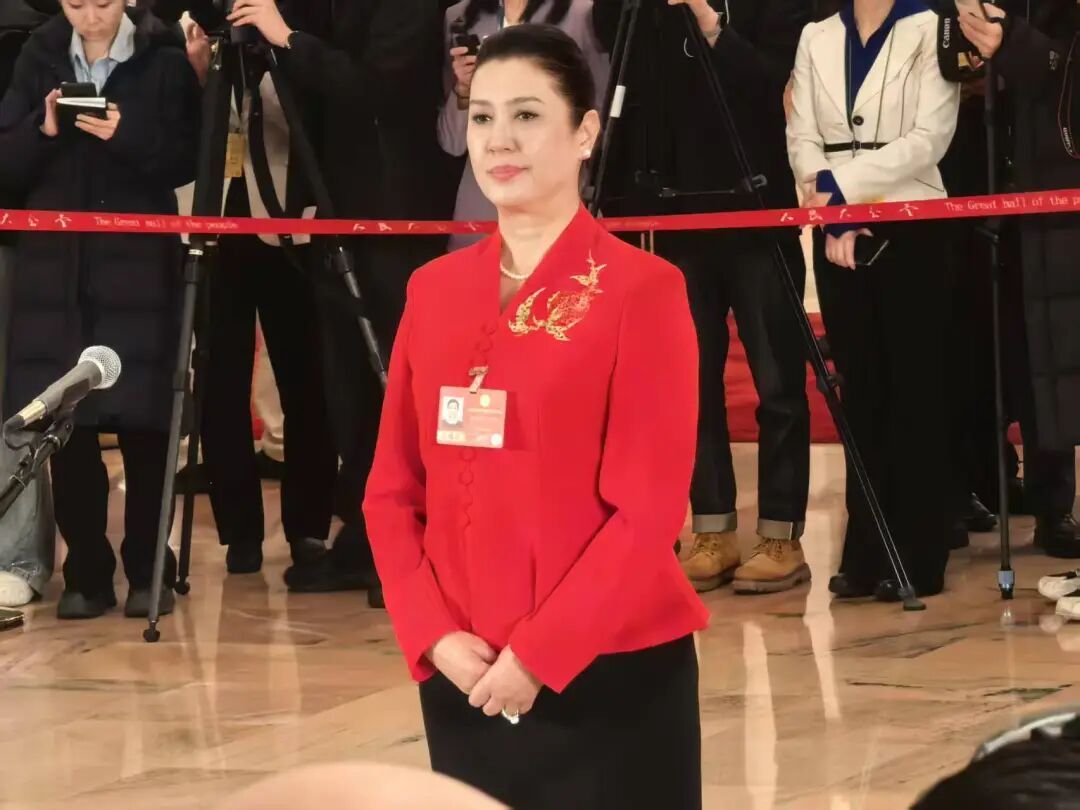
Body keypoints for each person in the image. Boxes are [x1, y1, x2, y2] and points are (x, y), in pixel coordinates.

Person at [363, 25, 708, 809]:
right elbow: (390, 492)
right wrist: (432, 634)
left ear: (585, 132)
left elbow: (648, 511)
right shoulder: (433, 291)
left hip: (607, 676)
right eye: (482, 117)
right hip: (464, 672)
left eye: (526, 115)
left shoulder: (639, 290)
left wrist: (539, 655)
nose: (499, 140)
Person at [592, 0, 814, 596]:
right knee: (691, 384)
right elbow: (614, 40)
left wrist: (711, 22)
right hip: (677, 214)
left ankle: (781, 534)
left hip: (757, 205)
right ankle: (713, 530)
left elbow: (772, 82)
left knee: (777, 382)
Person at [0, 0, 200, 618]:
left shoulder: (164, 59)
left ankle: (148, 567)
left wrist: (126, 134)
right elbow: (7, 166)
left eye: (104, 3)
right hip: (56, 272)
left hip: (139, 268)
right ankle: (86, 570)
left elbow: (187, 156)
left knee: (147, 422)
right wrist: (45, 128)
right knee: (68, 426)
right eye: (77, 4)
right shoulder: (38, 54)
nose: (91, 17)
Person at [787, 0, 960, 600]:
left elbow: (930, 138)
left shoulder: (931, 26)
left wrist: (843, 190)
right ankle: (866, 549)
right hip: (835, 231)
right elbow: (801, 136)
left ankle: (920, 551)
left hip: (913, 224)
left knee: (916, 391)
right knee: (860, 392)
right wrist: (832, 211)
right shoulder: (815, 35)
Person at [957, 1, 1080, 564]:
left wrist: (1013, 47)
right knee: (972, 344)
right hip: (966, 175)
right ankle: (978, 483)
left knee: (1045, 347)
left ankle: (1054, 503)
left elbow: (1063, 72)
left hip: (1048, 187)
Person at [438, 0, 609, 252]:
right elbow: (451, 141)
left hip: (557, 201)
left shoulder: (581, 12)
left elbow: (600, 114)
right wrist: (463, 91)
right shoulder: (458, 15)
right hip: (480, 211)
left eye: (527, 115)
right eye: (482, 118)